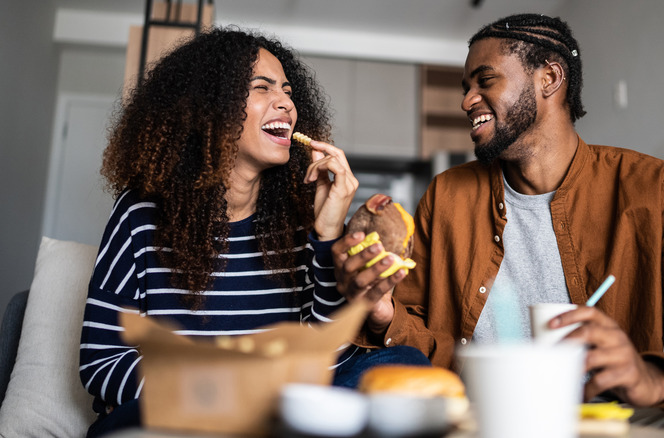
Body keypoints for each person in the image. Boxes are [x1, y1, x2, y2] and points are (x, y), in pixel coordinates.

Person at [333, 13, 664, 436]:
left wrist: (652, 376)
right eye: (465, 87)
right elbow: (416, 339)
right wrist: (382, 310)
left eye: (484, 81)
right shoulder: (447, 194)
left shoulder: (654, 188)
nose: (466, 101)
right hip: (478, 408)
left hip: (610, 411)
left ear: (549, 78)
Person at [79, 27, 428, 438]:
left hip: (278, 412)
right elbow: (101, 361)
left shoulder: (299, 220)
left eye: (287, 91)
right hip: (184, 412)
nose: (286, 103)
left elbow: (326, 364)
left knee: (402, 362)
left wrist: (328, 232)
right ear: (211, 107)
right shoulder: (141, 214)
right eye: (262, 87)